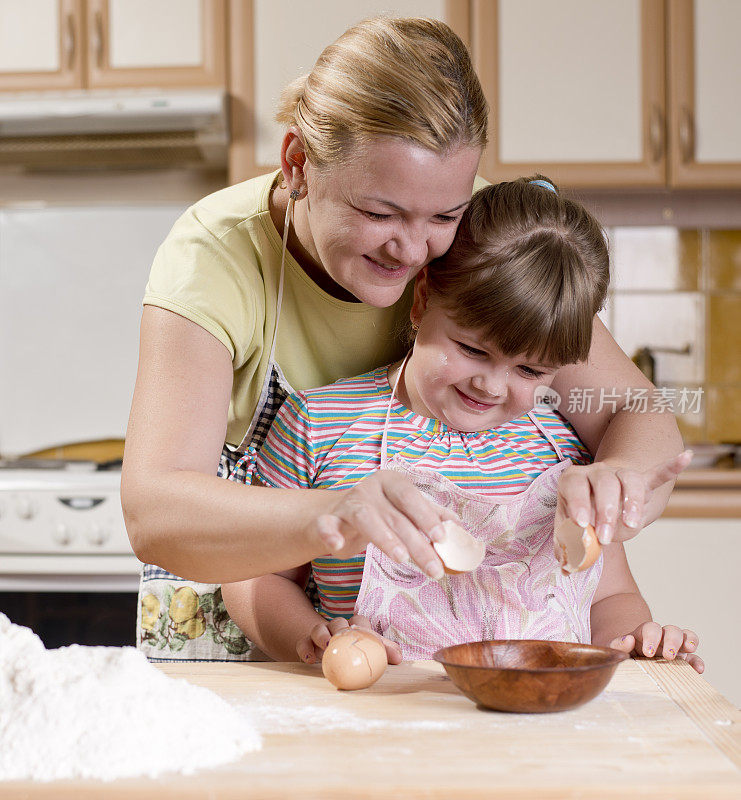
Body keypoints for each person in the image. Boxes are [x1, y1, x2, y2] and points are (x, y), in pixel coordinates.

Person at [122, 16, 688, 662]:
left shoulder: (481, 237)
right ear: (298, 163)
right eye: (378, 213)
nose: (414, 248)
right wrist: (332, 516)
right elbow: (155, 512)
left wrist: (617, 475)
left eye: (442, 215)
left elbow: (635, 412)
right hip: (274, 630)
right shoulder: (214, 259)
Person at [220, 179, 702, 673]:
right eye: (473, 350)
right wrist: (309, 638)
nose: (492, 387)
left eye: (530, 371)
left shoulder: (567, 451)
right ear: (422, 299)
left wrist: (636, 640)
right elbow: (256, 577)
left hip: (541, 727)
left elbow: (611, 597)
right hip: (381, 722)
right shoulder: (320, 424)